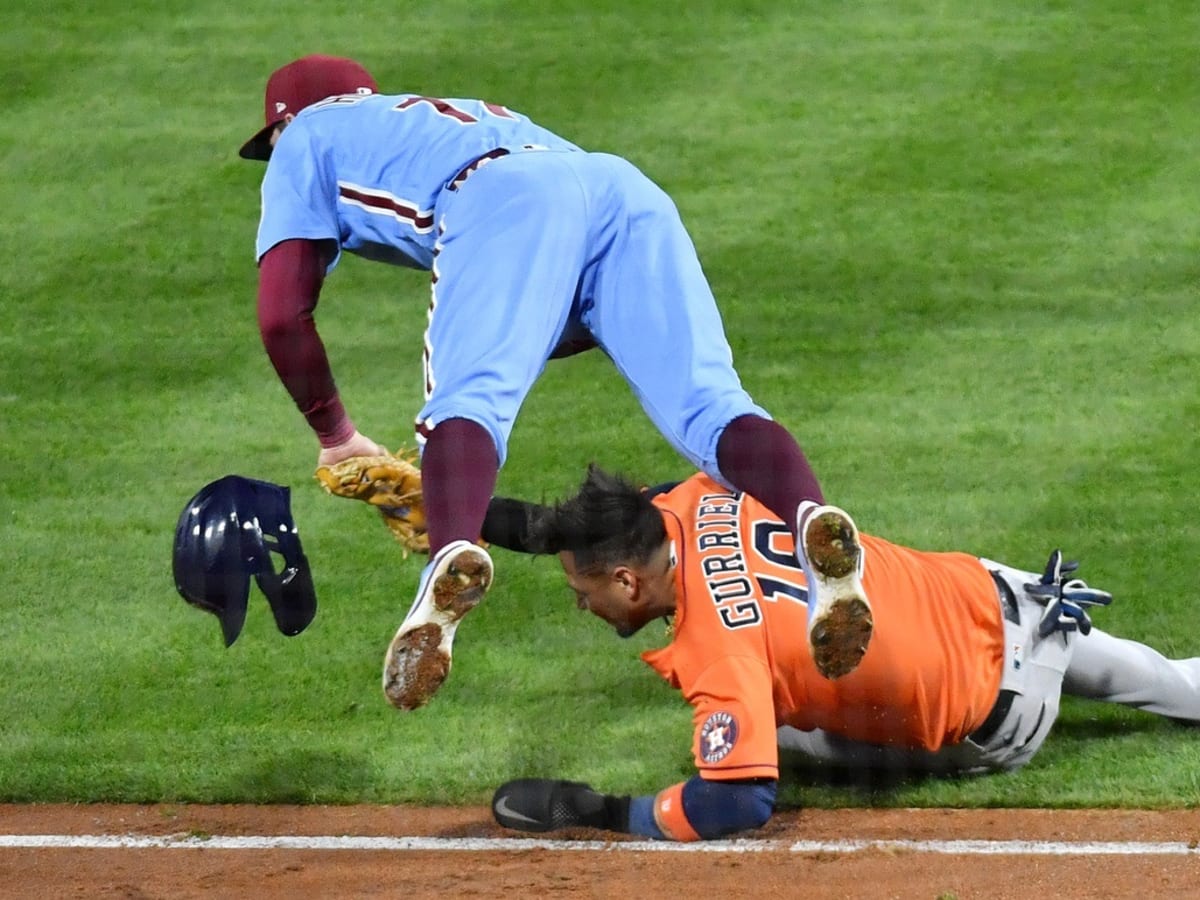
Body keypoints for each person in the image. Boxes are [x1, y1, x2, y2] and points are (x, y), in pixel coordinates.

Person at [239, 54, 873, 711]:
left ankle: (451, 557)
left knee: (467, 400)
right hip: (620, 188)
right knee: (712, 405)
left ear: (286, 123)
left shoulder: (307, 137)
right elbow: (562, 312)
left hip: (500, 194)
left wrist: (337, 436)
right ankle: (811, 523)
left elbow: (282, 315)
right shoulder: (448, 119)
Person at [483, 465, 1200, 842]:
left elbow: (734, 803)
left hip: (997, 722)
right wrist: (451, 510)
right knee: (1168, 680)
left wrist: (597, 811)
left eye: (584, 592)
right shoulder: (699, 496)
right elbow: (569, 527)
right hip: (1019, 603)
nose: (581, 604)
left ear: (627, 581)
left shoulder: (717, 654)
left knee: (779, 730)